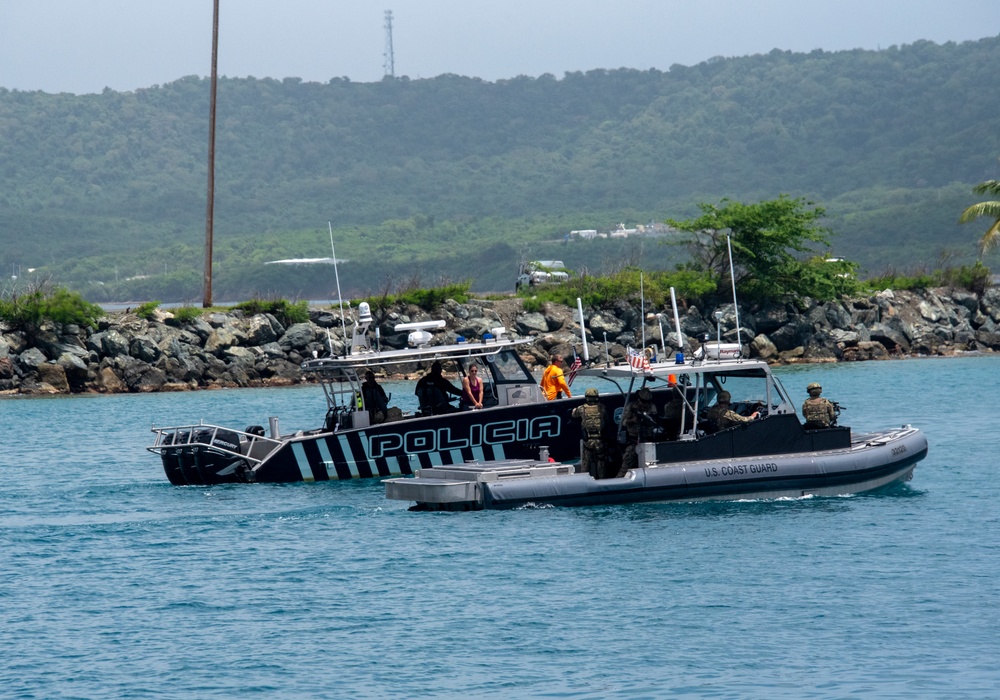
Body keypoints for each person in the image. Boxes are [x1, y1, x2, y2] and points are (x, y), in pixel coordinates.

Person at [617, 385, 659, 477]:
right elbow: (623, 422)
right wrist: (632, 420)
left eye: (647, 402)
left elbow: (655, 421)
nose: (645, 404)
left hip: (648, 441)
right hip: (634, 442)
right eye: (643, 401)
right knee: (625, 467)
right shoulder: (631, 407)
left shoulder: (652, 407)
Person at [571, 388, 609, 479]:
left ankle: (584, 479)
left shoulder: (582, 409)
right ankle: (602, 479)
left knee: (586, 463)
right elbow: (606, 421)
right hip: (599, 440)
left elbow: (573, 414)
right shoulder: (602, 408)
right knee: (601, 462)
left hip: (588, 440)